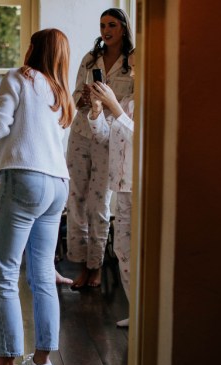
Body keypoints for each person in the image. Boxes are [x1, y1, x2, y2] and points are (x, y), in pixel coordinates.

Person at [0, 28, 75, 365]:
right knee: (42, 274)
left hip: (25, 178)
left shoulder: (18, 77)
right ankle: (41, 364)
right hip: (58, 185)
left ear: (34, 49)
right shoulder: (60, 92)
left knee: (5, 273)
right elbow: (22, 130)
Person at [66, 8, 135, 289]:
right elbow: (73, 96)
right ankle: (81, 264)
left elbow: (127, 109)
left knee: (99, 205)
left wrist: (106, 101)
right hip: (82, 132)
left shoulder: (133, 63)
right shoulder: (90, 58)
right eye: (102, 25)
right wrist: (82, 97)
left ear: (123, 28)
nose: (106, 30)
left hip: (111, 140)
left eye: (112, 25)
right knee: (76, 199)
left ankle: (95, 268)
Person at [87, 51, 135, 327]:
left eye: (137, 68)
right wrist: (96, 112)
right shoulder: (127, 103)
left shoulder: (146, 104)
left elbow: (141, 140)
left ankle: (146, 311)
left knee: (139, 250)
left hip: (141, 186)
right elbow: (105, 137)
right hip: (121, 185)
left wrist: (114, 108)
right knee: (122, 250)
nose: (132, 73)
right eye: (131, 68)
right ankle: (137, 310)